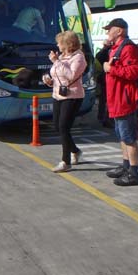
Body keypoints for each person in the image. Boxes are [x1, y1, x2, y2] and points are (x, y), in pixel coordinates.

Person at [102, 18, 138, 186]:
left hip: (123, 98)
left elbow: (134, 72)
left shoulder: (129, 48)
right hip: (116, 98)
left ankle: (134, 173)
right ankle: (126, 166)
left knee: (128, 137)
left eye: (109, 29)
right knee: (121, 135)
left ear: (119, 31)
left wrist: (111, 69)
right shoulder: (116, 48)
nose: (107, 32)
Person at [43, 31, 87, 172]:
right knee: (57, 126)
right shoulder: (62, 56)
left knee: (64, 127)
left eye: (59, 42)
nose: (57, 45)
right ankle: (75, 150)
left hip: (72, 96)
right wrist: (49, 81)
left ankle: (65, 161)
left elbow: (71, 75)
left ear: (67, 44)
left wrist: (56, 61)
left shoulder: (79, 57)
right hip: (58, 95)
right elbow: (58, 75)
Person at [95, 41, 114, 128]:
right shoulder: (110, 53)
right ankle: (107, 119)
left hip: (102, 79)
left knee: (103, 100)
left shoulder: (99, 53)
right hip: (107, 78)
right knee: (108, 100)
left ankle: (101, 117)